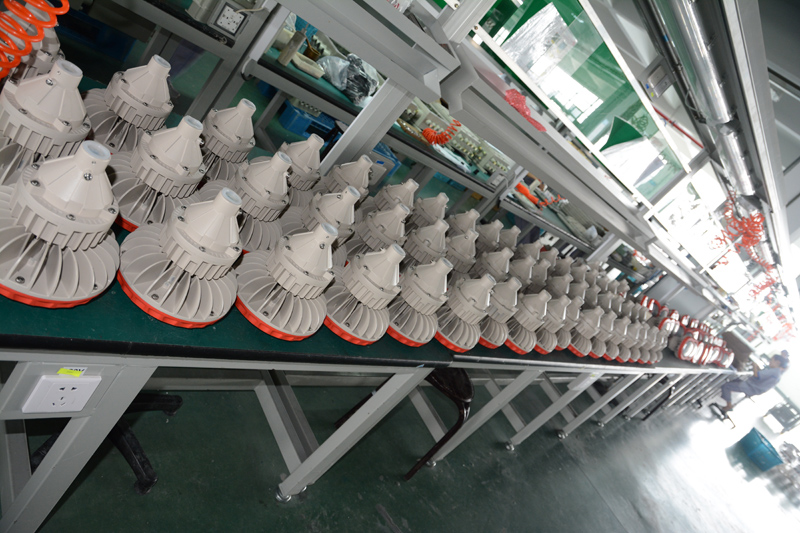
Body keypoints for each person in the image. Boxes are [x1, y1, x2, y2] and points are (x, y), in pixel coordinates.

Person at [721, 353, 789, 412]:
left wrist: (754, 366)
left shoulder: (774, 371)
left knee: (727, 386)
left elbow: (756, 376)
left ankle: (729, 405)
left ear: (778, 362)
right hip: (755, 388)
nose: (770, 362)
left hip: (751, 387)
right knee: (735, 380)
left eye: (771, 360)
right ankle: (728, 400)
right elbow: (762, 376)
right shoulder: (778, 373)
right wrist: (757, 368)